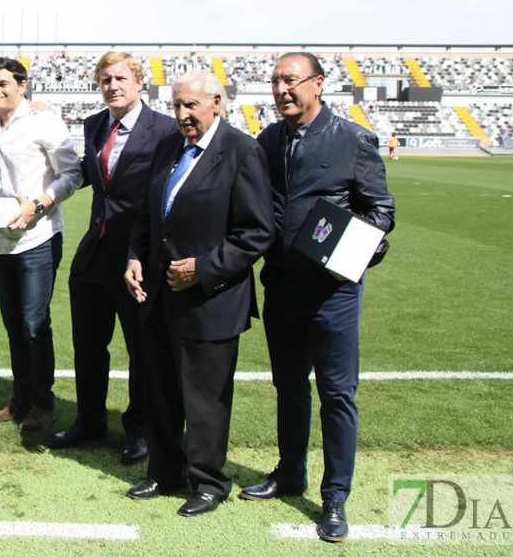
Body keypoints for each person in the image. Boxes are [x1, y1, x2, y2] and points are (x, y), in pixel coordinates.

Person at [239, 52, 395, 542]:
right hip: (281, 285)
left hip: (333, 292)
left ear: (318, 84)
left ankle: (335, 497)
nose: (283, 89)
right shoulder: (269, 139)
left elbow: (382, 211)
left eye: (291, 80)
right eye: (276, 82)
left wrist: (361, 244)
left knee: (336, 394)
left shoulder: (353, 139)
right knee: (288, 387)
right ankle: (290, 473)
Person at [122, 71, 274, 517]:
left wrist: (203, 269)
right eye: (177, 106)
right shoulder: (168, 147)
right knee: (161, 391)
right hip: (158, 296)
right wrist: (134, 257)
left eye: (191, 106)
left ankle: (209, 481)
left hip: (211, 300)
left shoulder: (243, 151)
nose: (183, 115)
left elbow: (256, 233)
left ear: (217, 103)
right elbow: (149, 215)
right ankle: (165, 470)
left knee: (205, 399)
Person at [47, 52, 177, 464]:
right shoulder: (94, 124)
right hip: (94, 251)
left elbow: (166, 198)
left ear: (140, 82)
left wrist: (142, 253)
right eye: (105, 80)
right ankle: (90, 419)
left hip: (137, 257)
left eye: (121, 78)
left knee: (140, 347)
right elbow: (89, 174)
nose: (113, 86)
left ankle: (138, 428)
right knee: (87, 343)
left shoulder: (166, 130)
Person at [0, 58, 81, 434]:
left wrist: (38, 204)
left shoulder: (45, 121)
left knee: (35, 325)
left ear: (23, 86)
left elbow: (73, 174)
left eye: (3, 84)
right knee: (13, 326)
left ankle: (44, 405)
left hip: (38, 238)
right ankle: (21, 399)